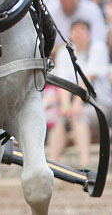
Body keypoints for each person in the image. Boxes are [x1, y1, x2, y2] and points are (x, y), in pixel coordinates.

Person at [46, 19, 112, 168]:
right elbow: (63, 83)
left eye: (82, 30)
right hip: (75, 102)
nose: (78, 33)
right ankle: (52, 168)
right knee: (60, 121)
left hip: (100, 104)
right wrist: (65, 105)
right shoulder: (64, 52)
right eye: (75, 30)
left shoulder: (98, 48)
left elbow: (88, 80)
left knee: (78, 117)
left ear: (89, 33)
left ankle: (85, 166)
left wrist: (75, 104)